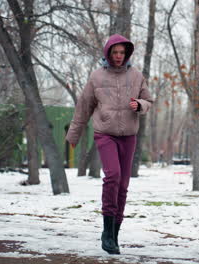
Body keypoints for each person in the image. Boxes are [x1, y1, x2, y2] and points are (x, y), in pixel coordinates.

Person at [66, 34, 152, 255]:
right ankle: (106, 232)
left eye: (122, 53)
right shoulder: (97, 77)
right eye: (114, 53)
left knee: (123, 186)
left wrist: (140, 104)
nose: (118, 56)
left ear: (127, 53)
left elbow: (149, 100)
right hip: (105, 133)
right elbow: (83, 107)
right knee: (112, 175)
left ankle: (114, 234)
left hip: (129, 136)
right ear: (108, 53)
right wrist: (73, 136)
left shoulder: (136, 76)